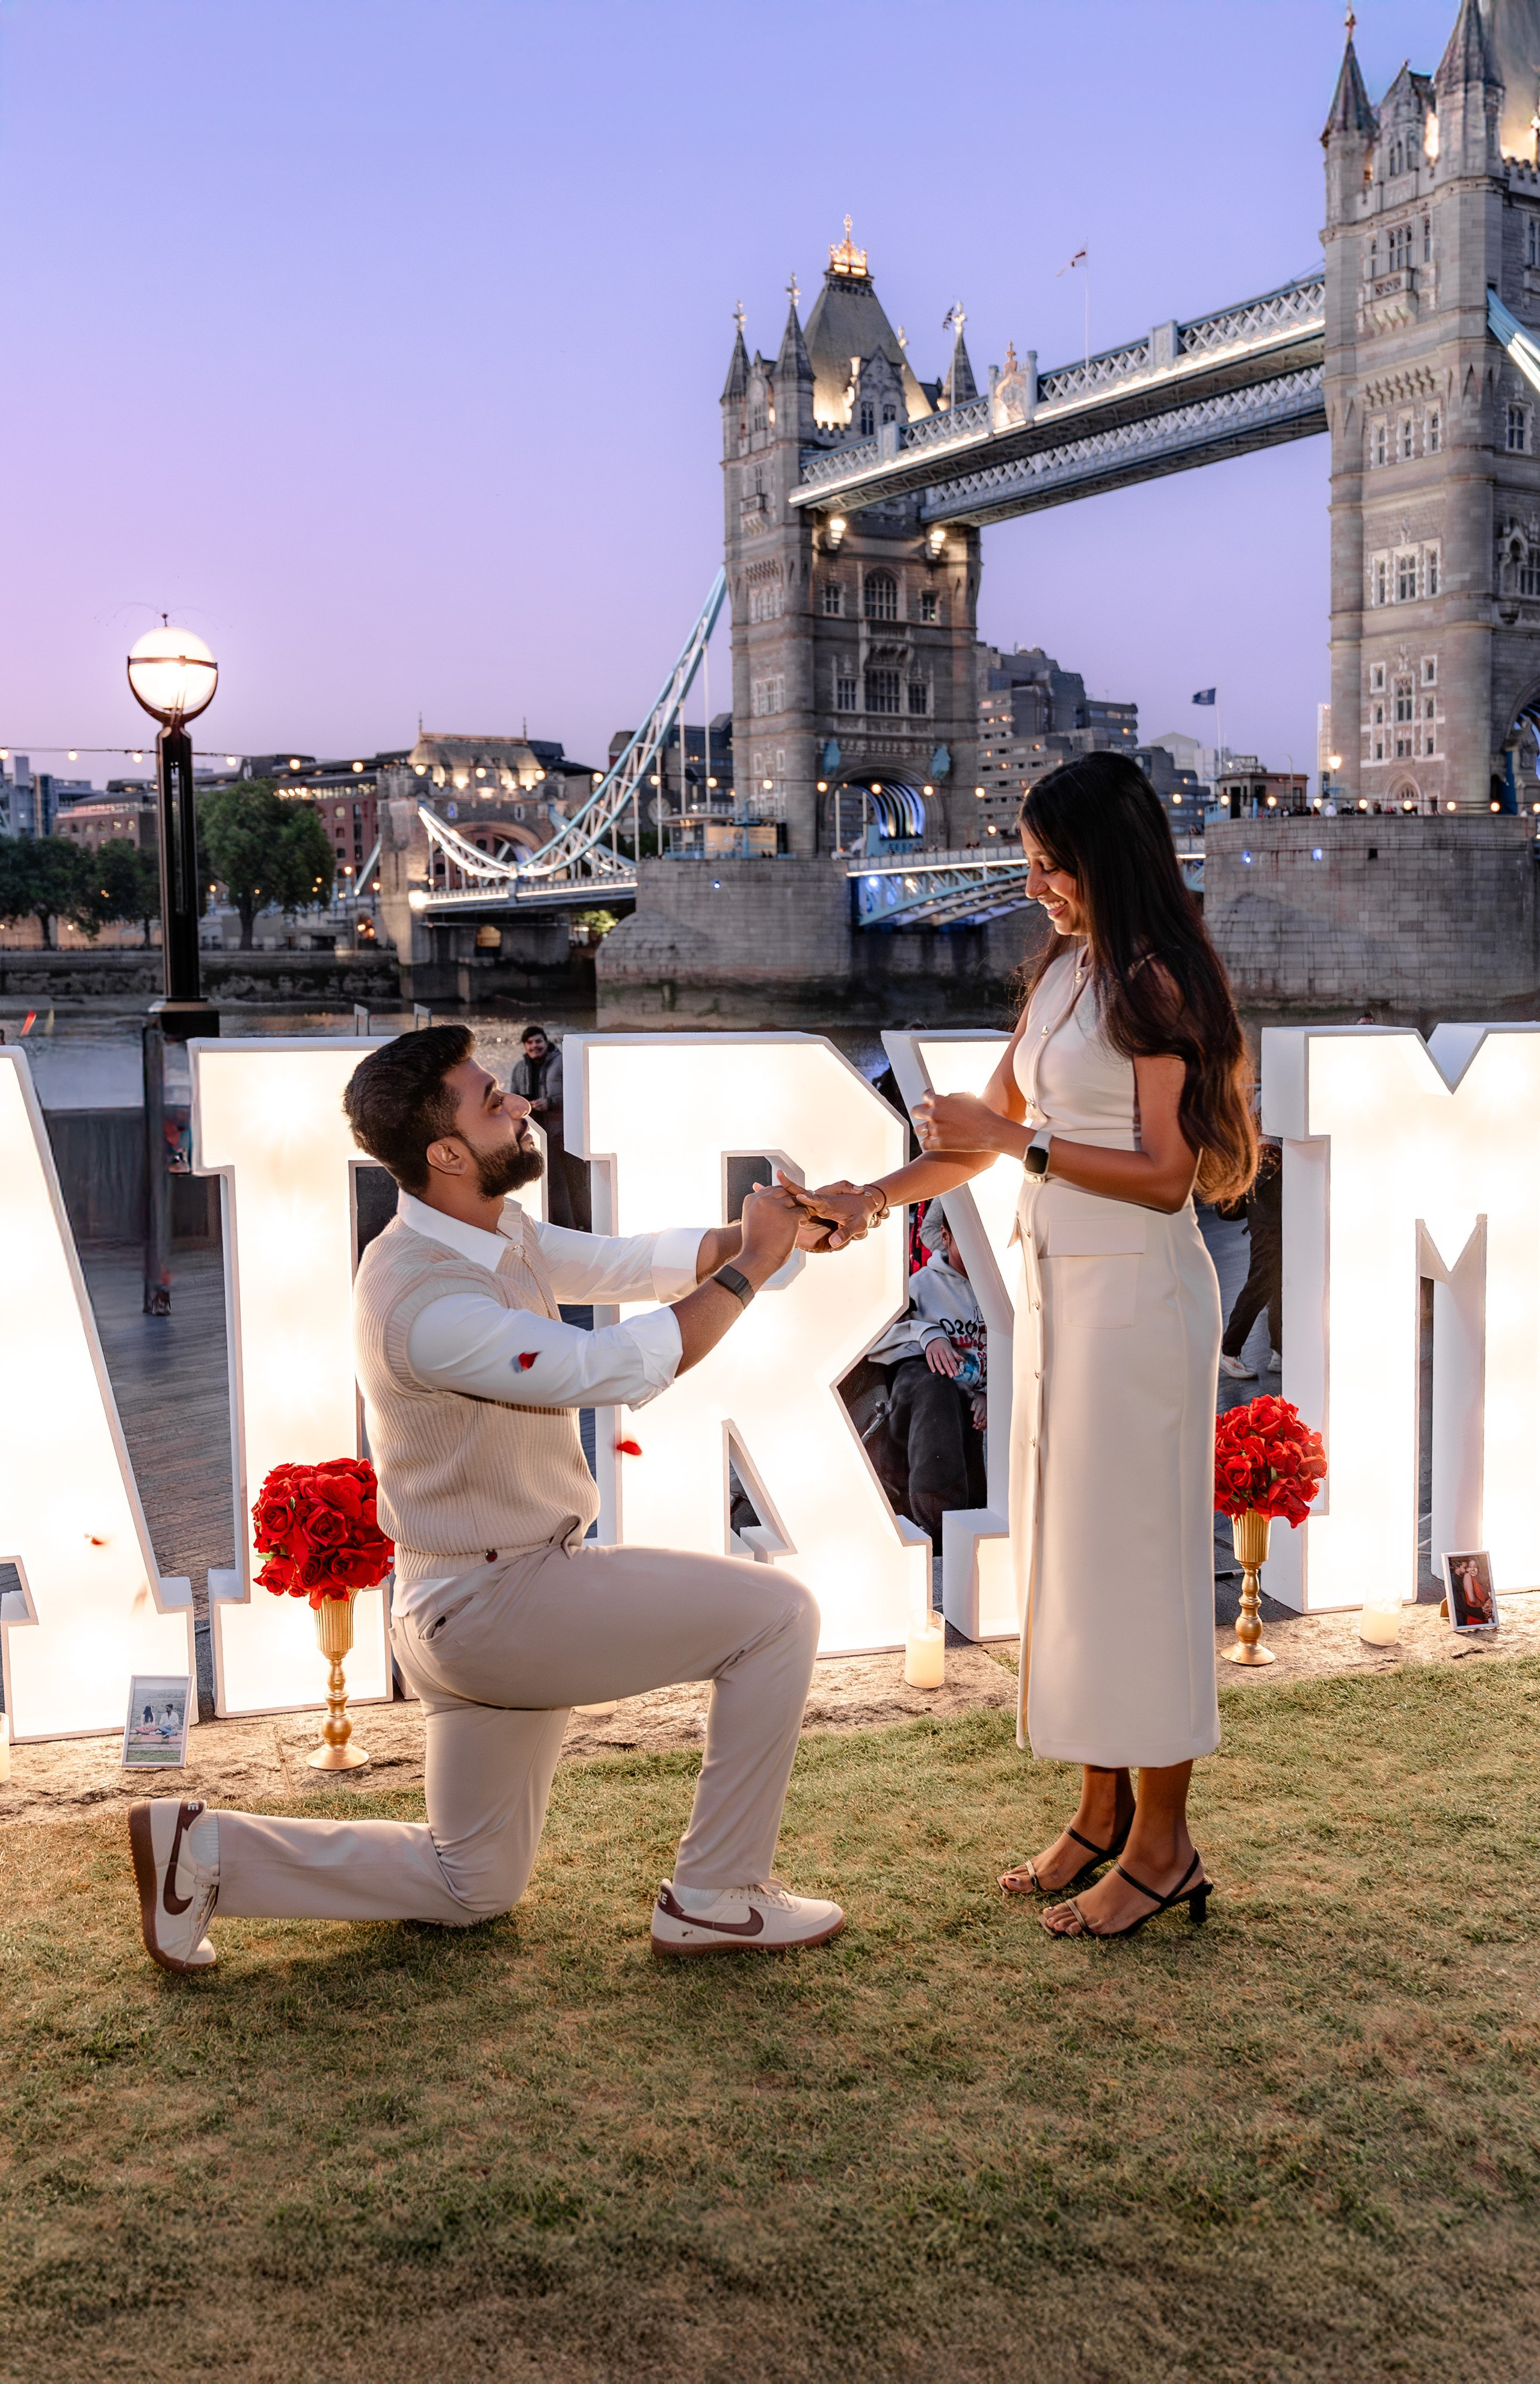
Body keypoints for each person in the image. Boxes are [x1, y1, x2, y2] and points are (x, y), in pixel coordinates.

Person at [129, 1024, 846, 1974]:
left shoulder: (490, 1228)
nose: (520, 1103)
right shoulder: (425, 1302)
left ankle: (204, 1849)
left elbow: (627, 1263)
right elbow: (606, 1365)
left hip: (469, 1599)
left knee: (475, 1883)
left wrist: (776, 1231)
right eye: (492, 1099)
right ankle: (717, 1893)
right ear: (448, 1153)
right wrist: (751, 1264)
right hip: (497, 1602)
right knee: (779, 1616)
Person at [792, 753, 1256, 1941]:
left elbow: (1161, 1178)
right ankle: (1100, 1808)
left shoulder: (1154, 984)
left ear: (1105, 857)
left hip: (1140, 1300)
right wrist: (877, 1193)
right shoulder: (1065, 971)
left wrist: (1021, 1142)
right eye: (1028, 858)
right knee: (1076, 1557)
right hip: (1064, 1294)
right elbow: (973, 1139)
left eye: (1051, 861)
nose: (1034, 879)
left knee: (1142, 1567)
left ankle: (1164, 1843)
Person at [861, 1197, 987, 1540]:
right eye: (967, 1239)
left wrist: (991, 1394)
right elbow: (873, 1340)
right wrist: (927, 1334)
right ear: (944, 1236)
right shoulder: (920, 1286)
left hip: (982, 1405)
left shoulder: (1003, 1288)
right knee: (934, 1388)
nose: (979, 1250)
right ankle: (939, 1521)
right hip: (933, 1412)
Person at [509, 1024, 591, 1231]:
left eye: (538, 1041)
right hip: (538, 1136)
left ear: (546, 1042)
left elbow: (579, 1094)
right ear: (524, 1046)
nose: (534, 1046)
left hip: (565, 1134)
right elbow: (514, 1099)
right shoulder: (520, 1068)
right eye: (530, 1043)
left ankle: (585, 1226)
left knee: (578, 1183)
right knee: (552, 1184)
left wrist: (551, 1102)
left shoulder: (563, 1063)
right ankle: (559, 1226)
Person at [1218, 1136, 1281, 1380]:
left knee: (1276, 1283)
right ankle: (1230, 1352)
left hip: (1267, 1171)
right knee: (1262, 1283)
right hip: (1269, 1172)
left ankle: (1279, 1352)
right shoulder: (1267, 1104)